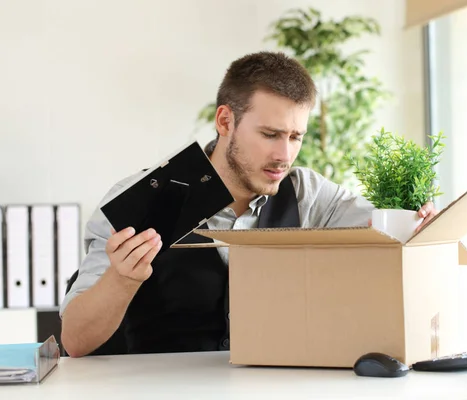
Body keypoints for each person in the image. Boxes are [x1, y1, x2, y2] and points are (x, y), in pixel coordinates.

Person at [60, 51, 438, 357]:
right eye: (270, 134)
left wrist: (420, 223)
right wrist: (122, 278)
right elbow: (75, 341)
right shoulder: (141, 199)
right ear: (225, 121)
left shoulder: (310, 195)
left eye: (295, 137)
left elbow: (391, 233)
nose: (284, 154)